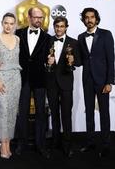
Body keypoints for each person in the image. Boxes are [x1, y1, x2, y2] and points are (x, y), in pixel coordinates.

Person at [78, 7, 114, 157]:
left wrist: (109, 82)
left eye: (92, 17)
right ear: (84, 20)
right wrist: (72, 60)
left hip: (102, 80)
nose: (89, 20)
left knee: (104, 113)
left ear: (96, 19)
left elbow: (111, 59)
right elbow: (81, 60)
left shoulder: (106, 34)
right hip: (87, 80)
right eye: (86, 17)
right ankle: (90, 142)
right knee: (89, 113)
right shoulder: (80, 37)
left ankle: (105, 145)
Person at [15, 7, 50, 159]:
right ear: (29, 17)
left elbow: (49, 60)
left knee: (41, 113)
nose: (39, 20)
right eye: (36, 17)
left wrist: (50, 62)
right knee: (22, 112)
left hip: (40, 79)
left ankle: (40, 145)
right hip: (22, 78)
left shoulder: (47, 38)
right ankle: (21, 144)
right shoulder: (18, 34)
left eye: (41, 17)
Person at [46, 16, 81, 158]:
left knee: (66, 115)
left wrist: (72, 61)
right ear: (54, 27)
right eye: (56, 26)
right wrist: (48, 63)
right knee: (54, 114)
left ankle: (67, 145)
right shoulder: (48, 40)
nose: (59, 28)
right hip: (51, 83)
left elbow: (79, 61)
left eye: (61, 26)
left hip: (66, 83)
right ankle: (55, 141)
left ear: (66, 27)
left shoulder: (74, 42)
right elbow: (44, 61)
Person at [0, 12, 21, 159]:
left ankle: (7, 141)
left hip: (16, 78)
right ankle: (3, 143)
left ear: (14, 25)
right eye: (6, 23)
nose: (8, 26)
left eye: (11, 23)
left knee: (12, 112)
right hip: (2, 79)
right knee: (4, 111)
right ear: (2, 23)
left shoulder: (18, 39)